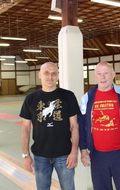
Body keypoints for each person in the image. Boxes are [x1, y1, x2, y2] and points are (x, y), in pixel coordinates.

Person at [19, 62, 80, 190]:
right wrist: (26, 154)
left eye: (54, 73)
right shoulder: (31, 98)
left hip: (64, 154)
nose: (50, 76)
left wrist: (74, 151)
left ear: (58, 76)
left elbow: (74, 125)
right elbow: (25, 128)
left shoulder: (68, 96)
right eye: (46, 72)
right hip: (40, 155)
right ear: (40, 75)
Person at [79, 62, 120, 190]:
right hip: (97, 156)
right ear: (95, 76)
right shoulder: (87, 98)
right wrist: (83, 150)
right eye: (99, 74)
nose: (103, 77)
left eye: (106, 73)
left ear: (113, 75)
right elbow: (82, 126)